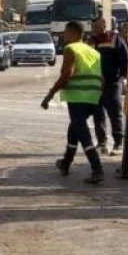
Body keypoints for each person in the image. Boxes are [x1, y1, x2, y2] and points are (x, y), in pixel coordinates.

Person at [41, 21, 104, 184]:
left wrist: (50, 94)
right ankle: (66, 163)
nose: (64, 35)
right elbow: (102, 78)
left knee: (83, 133)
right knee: (75, 127)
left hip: (78, 97)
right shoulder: (93, 51)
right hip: (94, 97)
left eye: (66, 32)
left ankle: (97, 168)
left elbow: (66, 76)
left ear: (74, 33)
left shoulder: (71, 49)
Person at [88, 17, 128, 154]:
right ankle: (102, 143)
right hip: (95, 84)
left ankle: (118, 143)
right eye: (92, 26)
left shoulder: (114, 39)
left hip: (112, 83)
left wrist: (122, 78)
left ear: (104, 25)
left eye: (97, 26)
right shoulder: (91, 41)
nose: (94, 29)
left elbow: (124, 59)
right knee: (98, 114)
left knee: (114, 113)